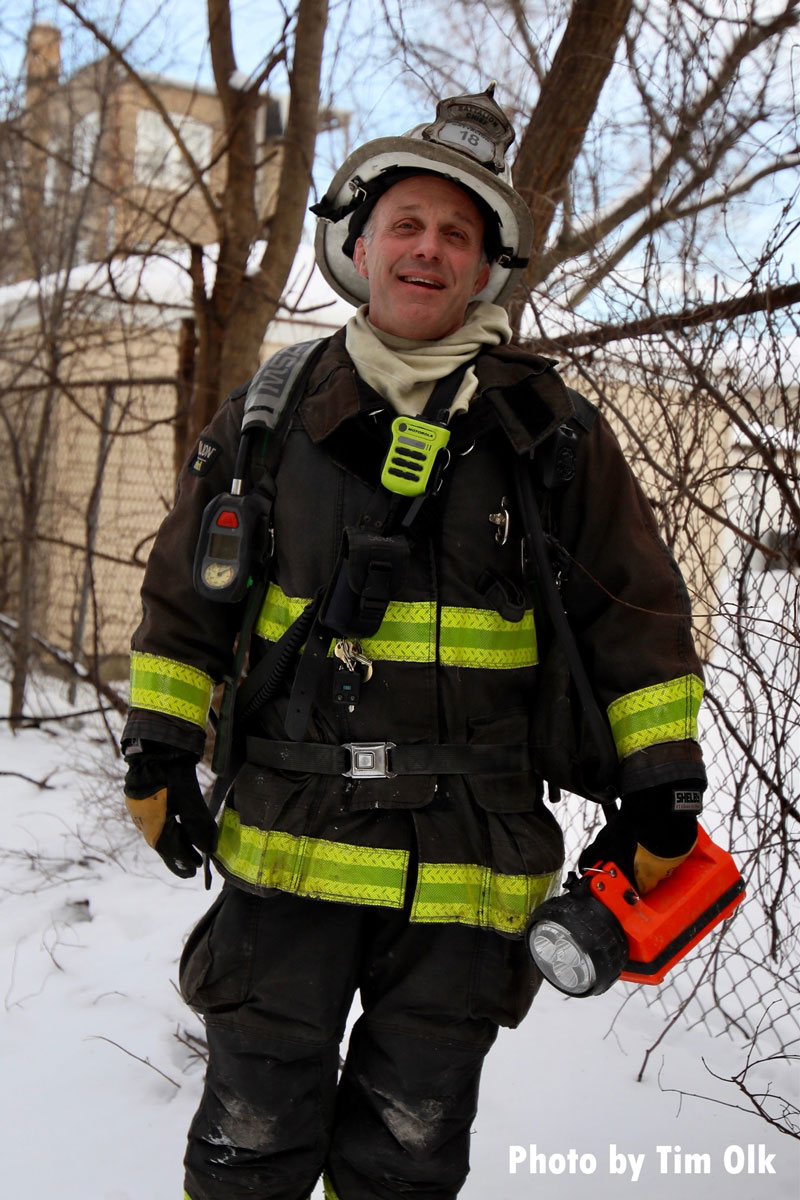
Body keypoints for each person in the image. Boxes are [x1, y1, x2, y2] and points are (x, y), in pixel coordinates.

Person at [122, 86, 707, 1200]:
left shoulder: (554, 439)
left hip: (466, 874)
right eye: (407, 224)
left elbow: (633, 619)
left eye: (456, 233)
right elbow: (183, 603)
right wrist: (157, 747)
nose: (428, 250)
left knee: (404, 1158)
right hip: (285, 853)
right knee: (247, 1147)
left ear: (486, 268)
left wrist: (660, 785)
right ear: (359, 244)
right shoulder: (270, 414)